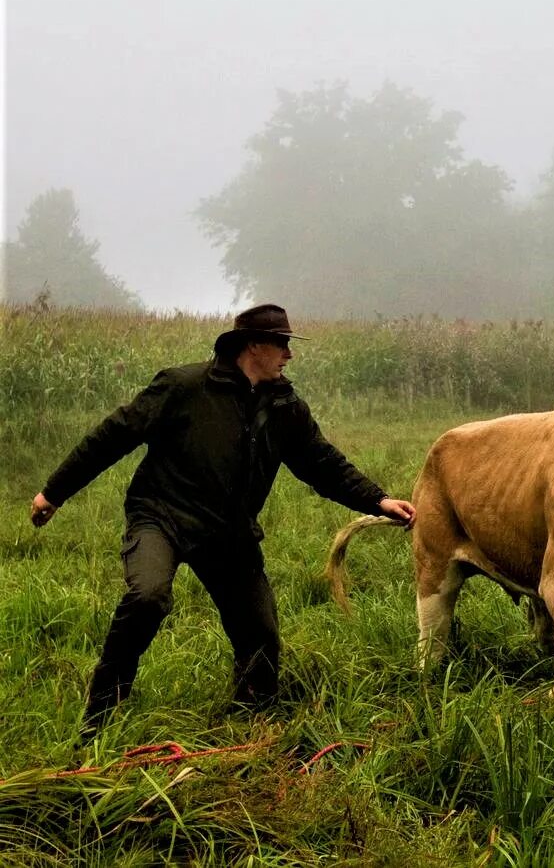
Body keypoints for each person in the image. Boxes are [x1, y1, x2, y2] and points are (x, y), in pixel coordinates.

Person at [29, 304, 417, 734]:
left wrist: (378, 500)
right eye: (281, 344)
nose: (289, 354)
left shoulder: (285, 406)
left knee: (262, 639)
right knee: (148, 597)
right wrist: (54, 492)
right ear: (253, 346)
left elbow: (322, 463)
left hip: (227, 532)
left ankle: (252, 725)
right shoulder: (184, 387)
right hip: (162, 515)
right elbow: (113, 435)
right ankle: (100, 715)